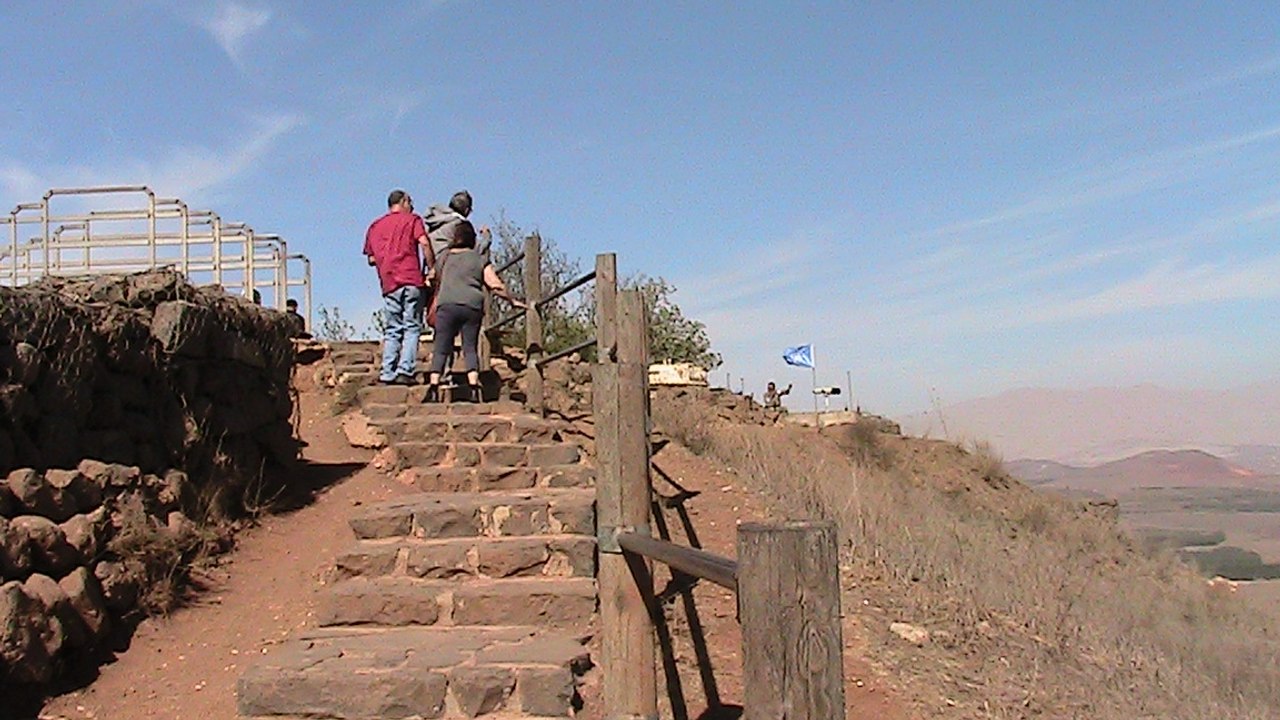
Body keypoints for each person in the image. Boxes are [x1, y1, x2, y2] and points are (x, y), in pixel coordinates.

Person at [426, 222, 523, 402]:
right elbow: (494, 285)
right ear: (472, 239)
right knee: (470, 347)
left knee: (441, 347)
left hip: (447, 305)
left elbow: (432, 277)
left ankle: (433, 387)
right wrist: (512, 300)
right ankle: (473, 387)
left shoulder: (444, 257)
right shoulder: (478, 258)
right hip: (472, 306)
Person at [363, 189, 434, 385]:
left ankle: (387, 372)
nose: (412, 205)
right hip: (411, 278)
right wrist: (431, 267)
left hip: (389, 282)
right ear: (403, 201)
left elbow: (370, 258)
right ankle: (405, 370)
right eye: (410, 201)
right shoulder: (412, 219)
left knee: (393, 328)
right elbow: (424, 243)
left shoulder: (375, 226)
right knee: (412, 326)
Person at [423, 190, 492, 260]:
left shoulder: (434, 221)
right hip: (452, 265)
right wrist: (487, 236)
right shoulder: (460, 225)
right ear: (466, 210)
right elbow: (477, 249)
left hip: (434, 265)